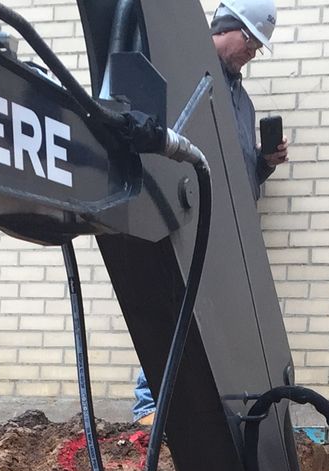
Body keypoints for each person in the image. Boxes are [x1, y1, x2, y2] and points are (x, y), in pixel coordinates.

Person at [133, 0, 290, 425]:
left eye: (258, 48)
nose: (252, 53)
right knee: (177, 306)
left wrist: (264, 164)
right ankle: (148, 406)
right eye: (251, 42)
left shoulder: (243, 103)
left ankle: (196, 413)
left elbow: (241, 172)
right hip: (190, 217)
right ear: (226, 27)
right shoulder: (187, 74)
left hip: (229, 228)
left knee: (213, 323)